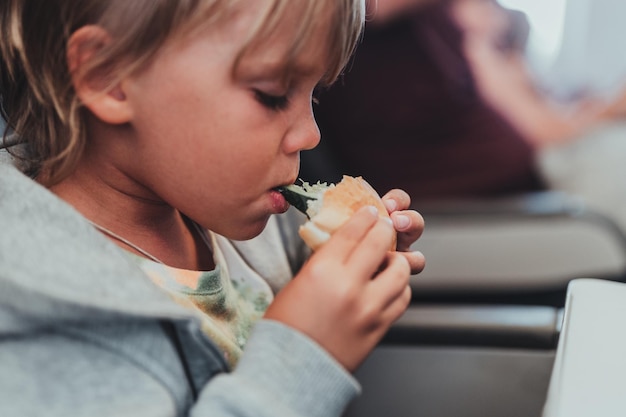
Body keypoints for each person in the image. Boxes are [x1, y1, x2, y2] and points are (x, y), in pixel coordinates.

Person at [0, 1, 426, 416]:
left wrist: (346, 274)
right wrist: (303, 357)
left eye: (313, 97)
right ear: (108, 73)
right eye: (273, 96)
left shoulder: (223, 201)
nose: (310, 135)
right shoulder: (51, 317)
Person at [309, 0, 626, 215]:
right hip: (472, 206)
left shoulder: (444, 27)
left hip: (528, 181)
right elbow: (544, 130)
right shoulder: (350, 17)